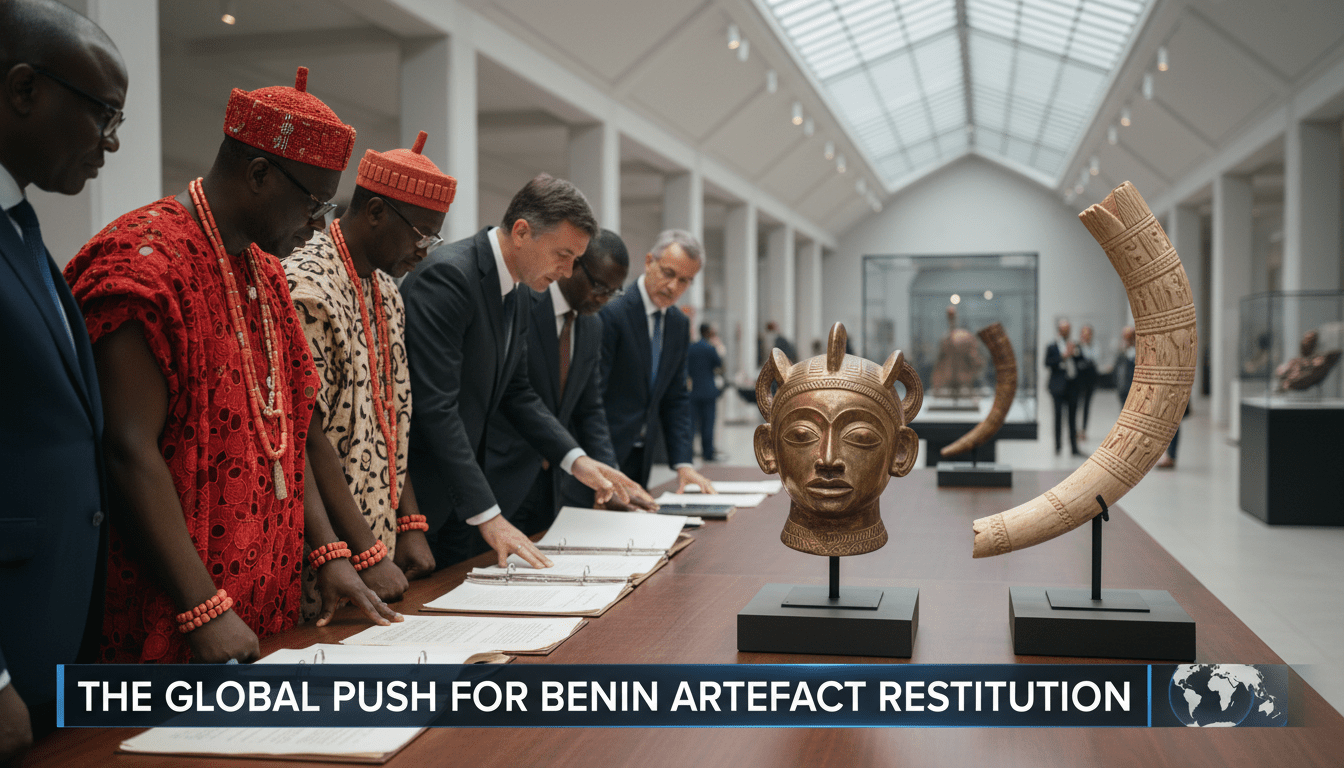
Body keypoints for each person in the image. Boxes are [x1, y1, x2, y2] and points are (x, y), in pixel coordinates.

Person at [65, 66, 399, 667]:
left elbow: (292, 430)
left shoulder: (265, 271)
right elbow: (127, 449)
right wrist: (203, 606)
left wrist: (330, 553)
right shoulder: (144, 262)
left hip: (260, 610)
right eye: (313, 203)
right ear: (259, 174)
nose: (320, 224)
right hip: (177, 616)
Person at [402, 174, 649, 569]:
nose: (567, 271)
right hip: (421, 498)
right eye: (563, 254)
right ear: (521, 232)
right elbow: (436, 407)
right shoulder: (449, 277)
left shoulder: (515, 288)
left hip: (461, 502)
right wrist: (488, 514)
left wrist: (576, 459)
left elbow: (517, 392)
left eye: (574, 260)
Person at [0, 0, 126, 753]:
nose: (112, 141)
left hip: (51, 636)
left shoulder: (21, 227)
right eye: (103, 113)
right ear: (25, 89)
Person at [285, 131, 451, 619]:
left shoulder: (386, 287)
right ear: (376, 211)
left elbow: (391, 417)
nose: (424, 252)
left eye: (433, 239)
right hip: (322, 553)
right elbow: (306, 435)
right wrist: (363, 552)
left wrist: (409, 521)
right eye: (421, 235)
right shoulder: (307, 284)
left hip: (376, 545)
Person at [484, 228, 640, 532]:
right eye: (599, 287)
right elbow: (513, 394)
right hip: (501, 474)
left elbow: (590, 409)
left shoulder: (591, 326)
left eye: (613, 292)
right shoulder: (522, 301)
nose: (603, 299)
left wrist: (611, 480)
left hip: (552, 483)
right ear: (573, 265)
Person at [599, 229, 717, 493]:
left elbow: (676, 396)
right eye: (668, 273)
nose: (674, 286)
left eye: (685, 280)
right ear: (649, 262)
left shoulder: (677, 324)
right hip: (602, 454)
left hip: (641, 457)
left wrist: (683, 463)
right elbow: (593, 396)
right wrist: (602, 462)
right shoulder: (612, 313)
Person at [1045, 318, 1084, 457]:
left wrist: (1075, 353)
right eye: (1064, 329)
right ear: (1059, 331)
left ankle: (1074, 447)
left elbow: (1082, 361)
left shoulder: (1074, 345)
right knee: (1058, 417)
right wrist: (1063, 356)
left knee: (1073, 418)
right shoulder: (1052, 346)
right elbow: (1047, 363)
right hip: (1058, 386)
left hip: (1072, 385)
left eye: (1068, 329)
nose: (1066, 332)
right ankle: (1058, 446)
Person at [687, 323, 724, 461]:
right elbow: (719, 364)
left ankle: (688, 453)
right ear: (708, 333)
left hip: (694, 390)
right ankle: (707, 452)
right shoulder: (710, 348)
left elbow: (687, 367)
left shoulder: (691, 348)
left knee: (691, 423)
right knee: (708, 423)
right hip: (708, 391)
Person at [1076, 324, 1098, 441]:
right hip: (1079, 382)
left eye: (1088, 334)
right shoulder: (1077, 347)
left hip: (1090, 382)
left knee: (1086, 407)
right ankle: (1075, 430)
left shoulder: (1094, 347)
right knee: (1077, 406)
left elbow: (1094, 359)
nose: (1086, 336)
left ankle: (1083, 430)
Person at [1114, 325, 1136, 405]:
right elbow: (1116, 370)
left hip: (1134, 388)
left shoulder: (1136, 352)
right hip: (1123, 388)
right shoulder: (1121, 353)